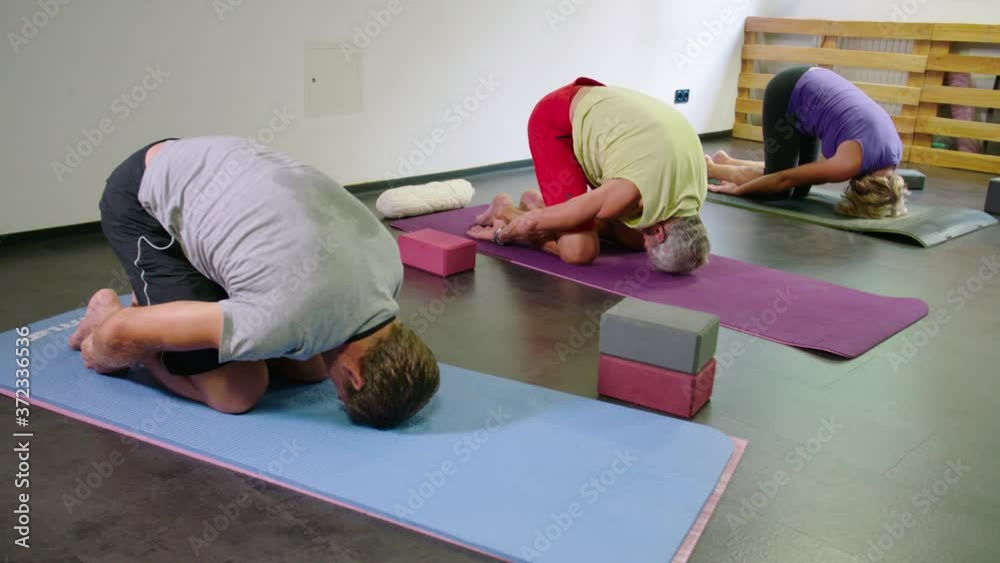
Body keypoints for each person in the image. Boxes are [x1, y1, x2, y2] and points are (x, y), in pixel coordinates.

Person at [69, 136, 439, 429]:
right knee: (237, 391)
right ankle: (112, 312)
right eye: (341, 394)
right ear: (355, 376)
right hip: (145, 198)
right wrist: (101, 351)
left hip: (212, 161)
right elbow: (122, 333)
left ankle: (161, 306)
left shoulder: (390, 271)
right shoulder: (280, 317)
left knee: (309, 368)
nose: (335, 391)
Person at [468, 77, 711, 274]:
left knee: (634, 239)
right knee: (579, 251)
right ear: (660, 233)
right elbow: (532, 223)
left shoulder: (695, 192)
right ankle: (504, 208)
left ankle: (538, 202)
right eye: (652, 248)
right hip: (557, 121)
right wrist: (500, 236)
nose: (647, 248)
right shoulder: (626, 193)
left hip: (603, 111)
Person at [705, 66, 909, 218]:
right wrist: (738, 190)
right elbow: (783, 178)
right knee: (779, 191)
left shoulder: (893, 154)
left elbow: (799, 175)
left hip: (813, 89)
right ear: (862, 190)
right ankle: (712, 169)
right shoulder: (849, 164)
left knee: (801, 188)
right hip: (788, 91)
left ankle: (728, 161)